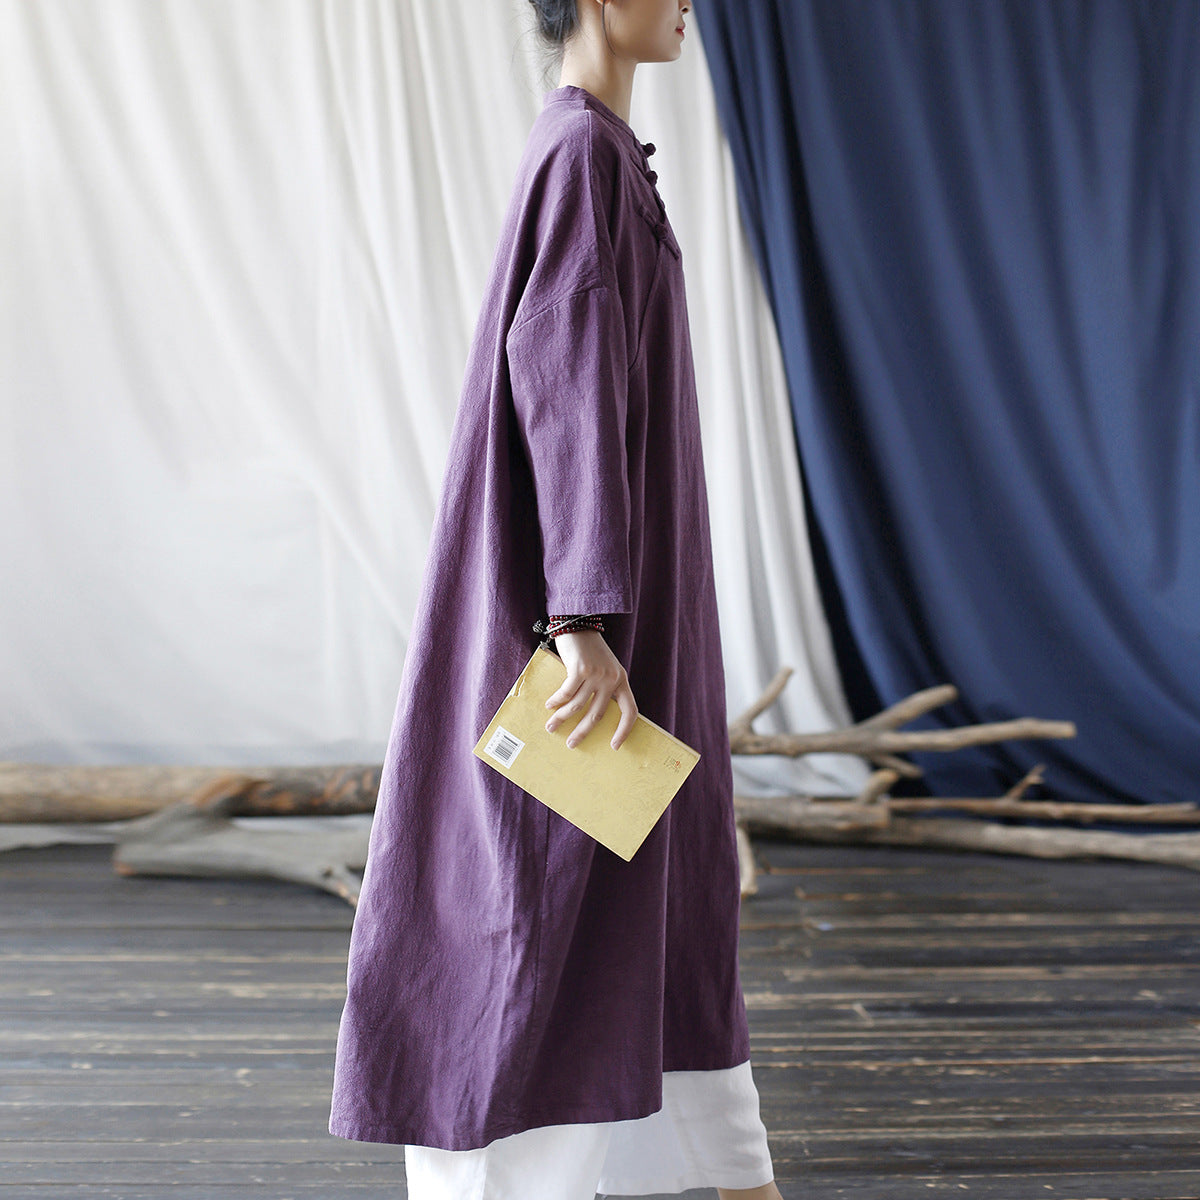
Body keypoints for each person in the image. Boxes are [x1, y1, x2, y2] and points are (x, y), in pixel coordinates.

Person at [329, 1, 785, 1196]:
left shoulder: (602, 152)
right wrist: (578, 618)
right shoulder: (581, 152)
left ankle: (736, 1172)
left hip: (626, 591)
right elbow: (563, 379)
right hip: (582, 607)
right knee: (549, 878)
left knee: (645, 880)